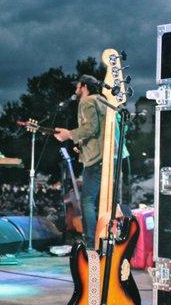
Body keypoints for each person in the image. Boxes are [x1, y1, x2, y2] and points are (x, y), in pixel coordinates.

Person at [54, 74, 105, 249]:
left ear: (83, 87)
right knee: (98, 200)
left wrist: (68, 134)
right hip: (102, 156)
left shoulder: (86, 101)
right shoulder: (101, 100)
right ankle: (97, 238)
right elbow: (99, 132)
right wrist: (81, 145)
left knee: (87, 201)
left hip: (95, 159)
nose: (76, 89)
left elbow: (91, 127)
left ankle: (90, 242)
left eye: (78, 86)